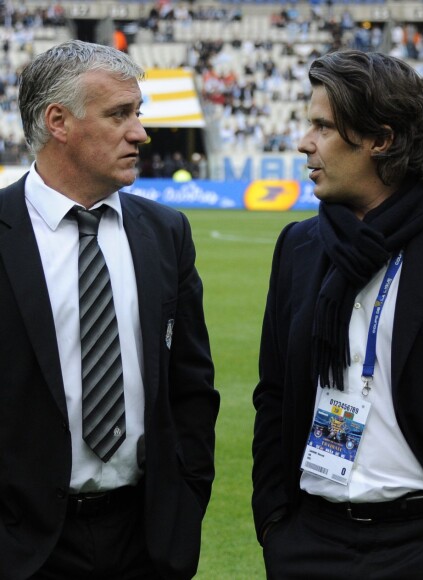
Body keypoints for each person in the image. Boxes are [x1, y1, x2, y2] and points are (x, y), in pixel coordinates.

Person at [252, 49, 423, 579]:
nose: (304, 143)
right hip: (311, 540)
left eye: (322, 127)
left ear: (380, 139)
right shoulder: (300, 245)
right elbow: (275, 395)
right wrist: (275, 525)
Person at [0, 40, 219, 580]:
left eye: (137, 112)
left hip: (144, 539)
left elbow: (191, 386)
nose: (140, 132)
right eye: (120, 114)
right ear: (58, 122)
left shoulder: (166, 233)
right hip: (22, 545)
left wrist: (185, 503)